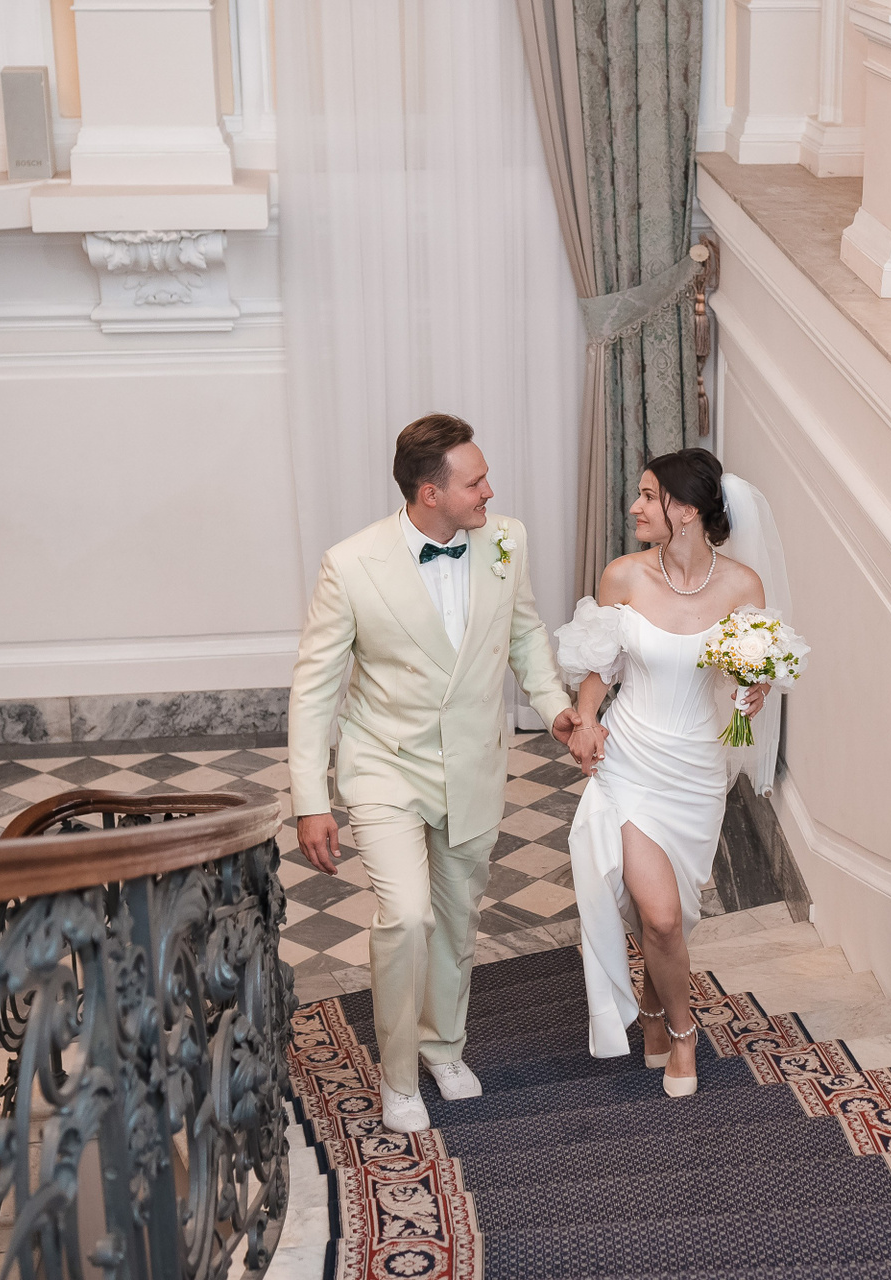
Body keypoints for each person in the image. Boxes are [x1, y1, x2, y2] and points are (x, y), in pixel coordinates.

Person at [288, 413, 591, 1134]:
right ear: (431, 493)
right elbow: (315, 689)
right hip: (385, 765)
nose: (490, 491)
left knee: (456, 920)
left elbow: (524, 633)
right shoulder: (351, 565)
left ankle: (443, 1047)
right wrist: (310, 800)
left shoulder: (507, 540)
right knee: (407, 917)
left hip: (474, 764)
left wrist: (555, 709)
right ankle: (398, 1078)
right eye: (476, 482)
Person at [556, 448, 786, 1097]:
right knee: (656, 916)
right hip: (629, 760)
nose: (635, 506)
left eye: (649, 495)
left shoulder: (742, 586)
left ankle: (655, 1011)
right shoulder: (623, 576)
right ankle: (685, 1035)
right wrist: (587, 718)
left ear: (685, 511)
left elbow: (751, 670)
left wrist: (754, 686)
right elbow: (600, 664)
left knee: (673, 913)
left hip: (696, 770)